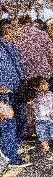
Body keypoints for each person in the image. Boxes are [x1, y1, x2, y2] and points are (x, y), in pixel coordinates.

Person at [0, 20, 27, 168]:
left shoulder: (11, 47)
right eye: (14, 29)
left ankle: (11, 149)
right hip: (4, 93)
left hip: (17, 90)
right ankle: (11, 157)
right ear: (7, 31)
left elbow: (19, 66)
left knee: (21, 120)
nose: (17, 32)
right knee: (8, 123)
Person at [30, 77, 53, 159]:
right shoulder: (35, 96)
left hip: (52, 119)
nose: (47, 84)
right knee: (42, 135)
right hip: (40, 120)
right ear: (38, 87)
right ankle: (46, 150)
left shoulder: (52, 95)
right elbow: (34, 108)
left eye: (46, 83)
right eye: (44, 84)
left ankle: (49, 144)